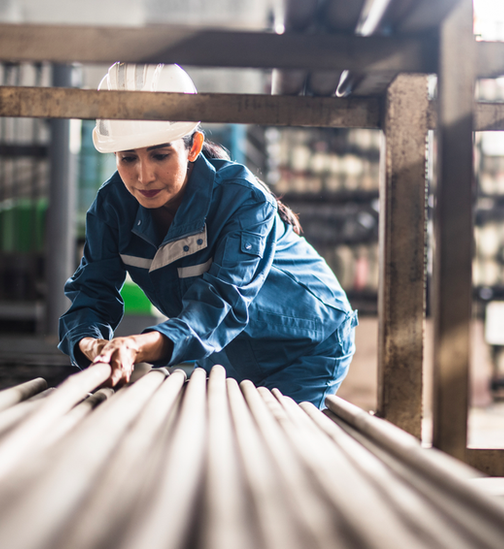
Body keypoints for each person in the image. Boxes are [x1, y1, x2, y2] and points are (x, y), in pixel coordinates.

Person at [58, 63, 357, 408]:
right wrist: (92, 345)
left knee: (269, 447)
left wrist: (137, 347)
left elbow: (221, 302)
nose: (144, 176)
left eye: (160, 154)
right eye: (128, 158)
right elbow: (92, 294)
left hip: (307, 344)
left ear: (193, 146)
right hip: (225, 349)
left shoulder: (242, 200)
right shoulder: (112, 208)